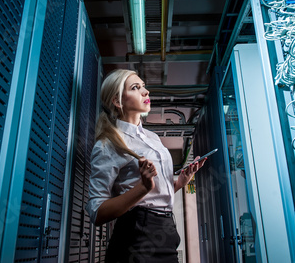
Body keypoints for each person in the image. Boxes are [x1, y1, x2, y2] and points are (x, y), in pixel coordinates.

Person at [86, 69, 206, 263]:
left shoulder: (152, 137)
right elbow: (96, 211)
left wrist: (180, 183)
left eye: (143, 86)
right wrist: (143, 187)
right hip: (137, 237)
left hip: (166, 231)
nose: (146, 92)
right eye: (135, 88)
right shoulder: (108, 144)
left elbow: (153, 195)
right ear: (117, 101)